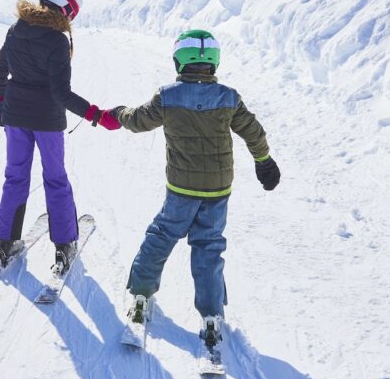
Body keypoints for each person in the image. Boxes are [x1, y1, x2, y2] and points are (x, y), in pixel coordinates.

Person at [106, 29, 281, 349]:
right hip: (217, 189)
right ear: (214, 62)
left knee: (161, 236)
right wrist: (264, 161)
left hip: (181, 189)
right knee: (209, 246)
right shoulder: (229, 97)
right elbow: (253, 131)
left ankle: (142, 295)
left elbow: (138, 120)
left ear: (179, 60)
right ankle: (212, 314)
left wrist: (118, 114)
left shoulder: (168, 96)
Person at [0, 0, 119, 273]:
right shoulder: (58, 41)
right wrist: (96, 115)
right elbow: (61, 93)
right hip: (47, 121)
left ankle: (5, 244)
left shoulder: (15, 31)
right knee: (55, 179)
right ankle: (63, 247)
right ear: (67, 9)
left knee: (15, 177)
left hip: (16, 118)